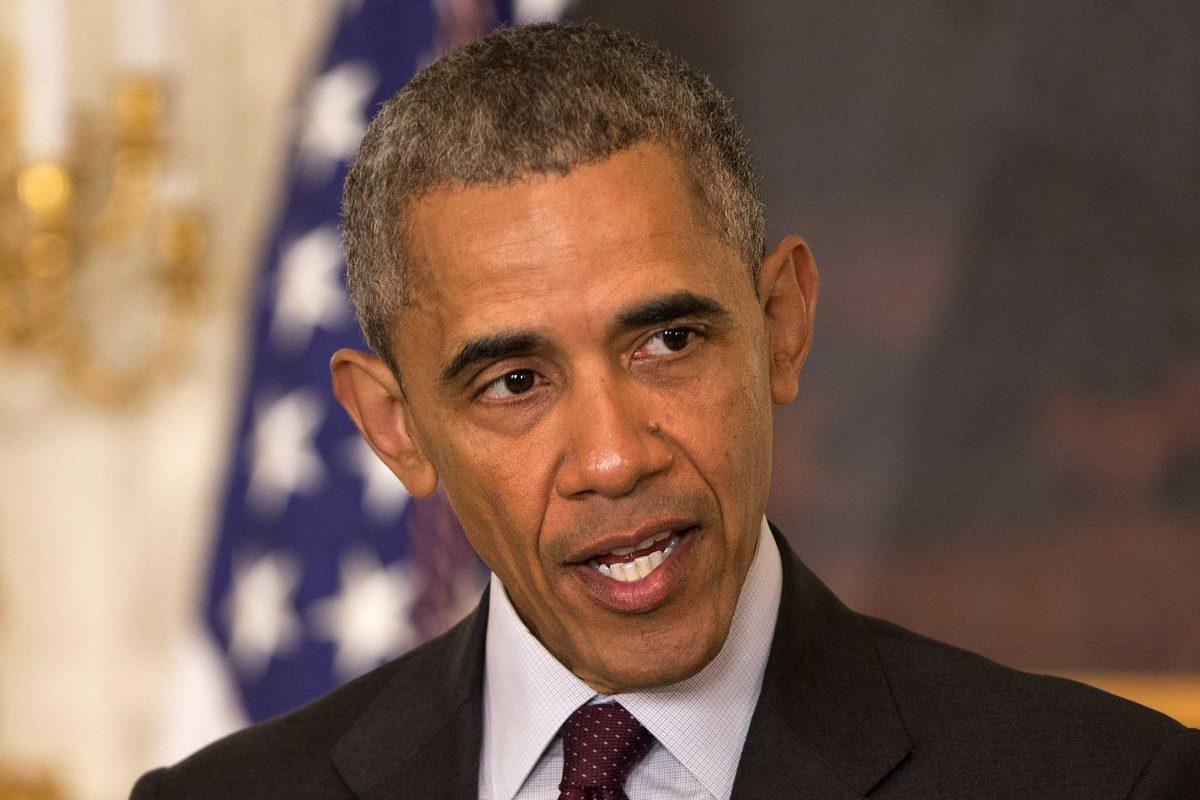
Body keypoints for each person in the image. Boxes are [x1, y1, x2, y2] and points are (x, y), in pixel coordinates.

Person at [130, 22, 1199, 800]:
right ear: (394, 426)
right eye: (514, 382)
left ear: (781, 323)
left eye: (669, 341)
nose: (613, 455)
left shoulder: (1106, 781)